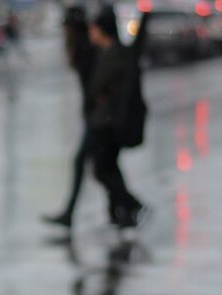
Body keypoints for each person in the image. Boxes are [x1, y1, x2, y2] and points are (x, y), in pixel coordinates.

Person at [86, 6, 146, 229]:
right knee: (110, 169)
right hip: (109, 122)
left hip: (108, 124)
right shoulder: (109, 53)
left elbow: (96, 88)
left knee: (104, 170)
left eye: (93, 29)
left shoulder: (113, 55)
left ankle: (132, 206)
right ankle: (120, 214)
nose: (90, 33)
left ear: (102, 30)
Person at [43, 5, 99, 229]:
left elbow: (95, 86)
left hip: (97, 117)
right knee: (103, 167)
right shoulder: (83, 47)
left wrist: (93, 111)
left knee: (92, 165)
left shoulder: (85, 49)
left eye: (66, 27)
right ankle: (123, 209)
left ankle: (128, 208)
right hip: (94, 116)